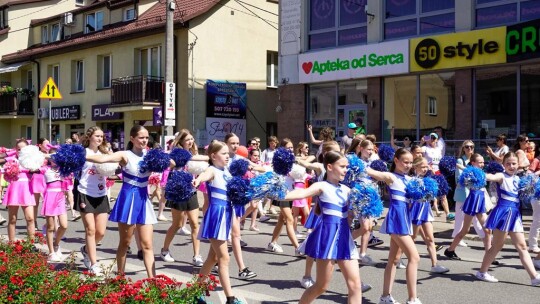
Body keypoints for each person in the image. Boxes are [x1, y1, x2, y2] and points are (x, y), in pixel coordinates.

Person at [283, 151, 363, 303]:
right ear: (330, 167)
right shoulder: (322, 186)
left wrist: (363, 209)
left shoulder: (347, 190)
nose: (346, 170)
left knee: (355, 285)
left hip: (345, 239)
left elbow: (350, 216)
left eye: (347, 167)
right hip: (328, 238)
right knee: (321, 286)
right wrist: (280, 194)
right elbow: (302, 193)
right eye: (342, 166)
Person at [85, 125, 157, 278]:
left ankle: (153, 282)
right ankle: (120, 276)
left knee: (147, 245)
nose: (144, 140)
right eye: (141, 137)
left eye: (146, 137)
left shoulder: (151, 155)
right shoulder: (125, 155)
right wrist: (81, 155)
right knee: (125, 243)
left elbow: (172, 162)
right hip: (128, 199)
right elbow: (103, 158)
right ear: (132, 139)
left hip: (144, 199)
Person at [366, 148, 422, 304]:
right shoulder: (391, 177)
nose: (408, 165)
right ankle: (412, 298)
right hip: (397, 218)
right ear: (396, 161)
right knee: (414, 257)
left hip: (406, 218)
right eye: (405, 162)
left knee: (394, 259)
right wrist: (359, 164)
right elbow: (374, 173)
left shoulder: (409, 180)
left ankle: (385, 296)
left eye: (410, 162)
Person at [476, 152, 540, 285]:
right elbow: (491, 177)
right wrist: (476, 174)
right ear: (503, 165)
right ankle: (482, 272)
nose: (511, 166)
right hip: (504, 213)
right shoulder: (502, 176)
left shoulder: (519, 179)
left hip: (515, 214)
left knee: (522, 246)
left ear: (518, 164)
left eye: (514, 163)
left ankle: (534, 277)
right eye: (508, 163)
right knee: (497, 246)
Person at [194, 140, 244, 304]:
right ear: (213, 156)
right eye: (223, 154)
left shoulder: (227, 171)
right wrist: (198, 180)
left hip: (227, 213)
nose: (227, 156)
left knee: (212, 258)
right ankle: (230, 299)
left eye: (228, 154)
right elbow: (204, 175)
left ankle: (195, 292)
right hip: (217, 214)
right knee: (224, 258)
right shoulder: (212, 170)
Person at [160, 129, 208, 267]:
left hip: (191, 191)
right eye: (187, 139)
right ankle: (164, 250)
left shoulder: (194, 153)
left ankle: (197, 255)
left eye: (192, 139)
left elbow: (199, 164)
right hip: (178, 192)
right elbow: (169, 165)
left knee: (194, 223)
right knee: (177, 224)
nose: (191, 141)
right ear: (181, 141)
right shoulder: (176, 153)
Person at [75, 126, 113, 275]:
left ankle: (85, 250)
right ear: (89, 137)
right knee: (90, 229)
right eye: (97, 136)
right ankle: (94, 263)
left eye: (101, 136)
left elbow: (116, 166)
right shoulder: (83, 152)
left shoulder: (106, 153)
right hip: (85, 192)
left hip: (101, 193)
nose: (99, 139)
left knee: (101, 232)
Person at [444, 153, 492, 261]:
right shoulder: (470, 173)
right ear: (473, 163)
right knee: (465, 230)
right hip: (472, 202)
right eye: (480, 162)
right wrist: (458, 165)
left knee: (487, 230)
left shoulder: (481, 172)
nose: (482, 164)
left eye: (483, 162)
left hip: (480, 202)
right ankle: (450, 250)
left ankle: (489, 255)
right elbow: (465, 172)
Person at [409, 157, 449, 274]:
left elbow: (431, 197)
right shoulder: (412, 180)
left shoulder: (429, 180)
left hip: (426, 210)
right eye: (422, 167)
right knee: (412, 238)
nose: (425, 169)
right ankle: (399, 258)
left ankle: (434, 265)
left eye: (426, 166)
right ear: (415, 167)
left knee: (430, 239)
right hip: (415, 211)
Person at [266, 138, 302, 256]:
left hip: (289, 193)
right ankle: (297, 248)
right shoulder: (279, 162)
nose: (291, 150)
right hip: (282, 193)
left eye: (292, 147)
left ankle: (272, 242)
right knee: (289, 220)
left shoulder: (292, 161)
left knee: (281, 220)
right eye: (288, 148)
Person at [450, 140, 485, 248]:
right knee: (460, 218)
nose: (469, 149)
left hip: (474, 194)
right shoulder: (460, 161)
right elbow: (460, 178)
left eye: (471, 146)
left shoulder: (477, 160)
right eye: (467, 147)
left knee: (475, 218)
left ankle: (485, 236)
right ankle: (457, 238)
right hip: (463, 194)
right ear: (463, 148)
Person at [2, 138, 36, 241]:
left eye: (23, 148)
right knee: (12, 219)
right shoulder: (12, 159)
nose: (21, 151)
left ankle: (31, 244)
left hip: (27, 189)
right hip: (14, 189)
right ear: (15, 149)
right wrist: (7, 154)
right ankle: (11, 244)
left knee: (30, 218)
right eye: (18, 148)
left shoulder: (31, 161)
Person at [41, 155, 68, 262]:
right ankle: (51, 252)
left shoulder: (64, 169)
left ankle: (56, 244)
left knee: (64, 225)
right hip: (50, 197)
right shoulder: (45, 169)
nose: (55, 160)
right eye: (53, 159)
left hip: (60, 197)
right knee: (50, 227)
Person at [528, 145, 540, 253]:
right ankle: (532, 244)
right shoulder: (536, 160)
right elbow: (529, 175)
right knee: (537, 220)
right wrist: (538, 173)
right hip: (537, 195)